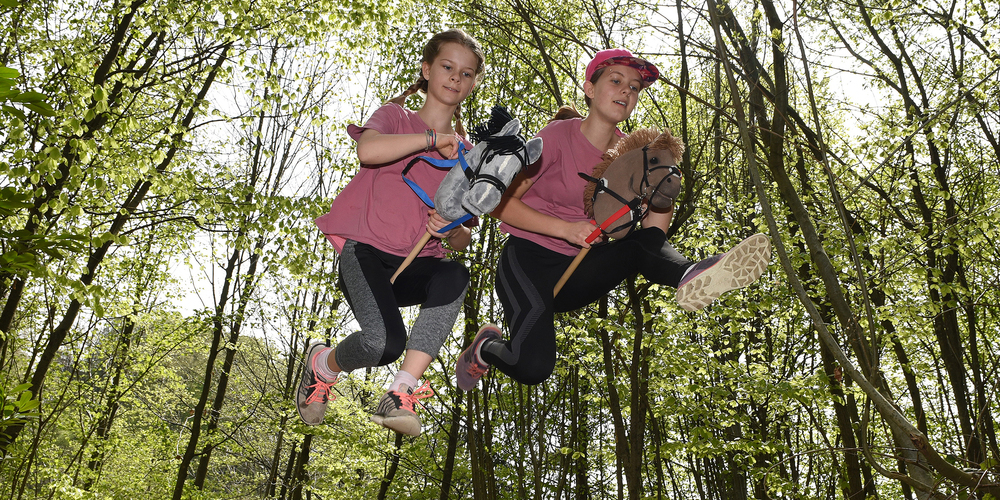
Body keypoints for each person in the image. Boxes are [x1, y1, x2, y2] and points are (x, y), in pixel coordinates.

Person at [455, 48, 770, 390]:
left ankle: (691, 274)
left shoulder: (633, 156)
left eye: (634, 88)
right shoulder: (558, 137)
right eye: (616, 81)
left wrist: (661, 198)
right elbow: (500, 204)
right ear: (590, 90)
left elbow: (652, 237)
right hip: (528, 261)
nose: (626, 91)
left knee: (640, 246)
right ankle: (485, 348)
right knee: (532, 367)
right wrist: (566, 229)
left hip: (580, 270)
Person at [296, 29, 485, 436]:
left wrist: (448, 229)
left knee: (456, 273)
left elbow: (464, 235)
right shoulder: (395, 117)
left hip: (418, 262)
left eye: (466, 74)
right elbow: (369, 151)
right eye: (447, 67)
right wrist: (434, 140)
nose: (455, 78)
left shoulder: (468, 156)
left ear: (472, 84)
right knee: (383, 345)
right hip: (366, 255)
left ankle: (400, 392)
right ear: (427, 70)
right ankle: (323, 365)